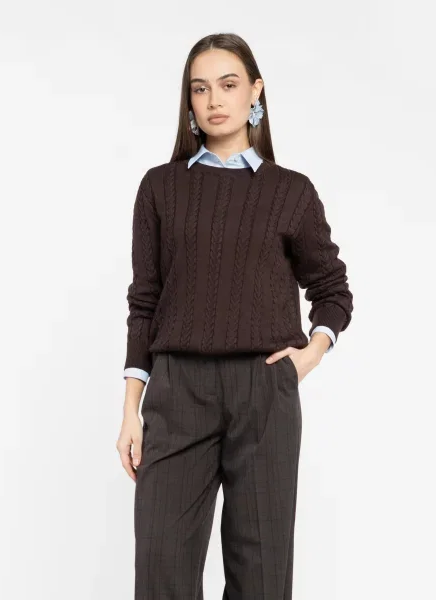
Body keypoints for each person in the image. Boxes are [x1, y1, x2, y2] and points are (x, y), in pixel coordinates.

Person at [116, 32, 354, 600]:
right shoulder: (161, 187)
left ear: (256, 91)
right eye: (200, 89)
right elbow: (144, 300)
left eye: (228, 84)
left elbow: (332, 289)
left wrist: (308, 355)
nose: (214, 100)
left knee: (262, 578)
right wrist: (130, 409)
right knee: (161, 569)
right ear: (189, 101)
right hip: (177, 390)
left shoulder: (291, 192)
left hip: (264, 390)